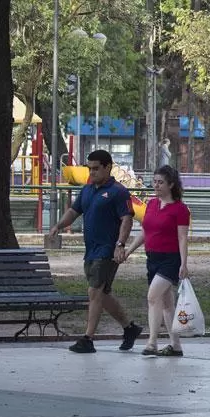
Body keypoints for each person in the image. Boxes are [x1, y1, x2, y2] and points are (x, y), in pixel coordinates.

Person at [45, 149, 142, 354]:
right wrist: (58, 226)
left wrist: (120, 244)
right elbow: (74, 211)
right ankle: (130, 328)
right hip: (91, 250)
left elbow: (127, 218)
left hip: (108, 251)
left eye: (96, 168)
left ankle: (88, 339)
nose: (92, 172)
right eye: (89, 169)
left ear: (108, 167)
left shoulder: (118, 191)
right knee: (102, 294)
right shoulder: (88, 189)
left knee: (94, 291)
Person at [119, 165, 190, 357]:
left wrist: (184, 263)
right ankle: (176, 345)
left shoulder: (180, 209)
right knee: (167, 304)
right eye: (155, 182)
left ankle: (152, 342)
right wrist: (129, 250)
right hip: (152, 258)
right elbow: (145, 231)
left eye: (161, 182)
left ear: (171, 185)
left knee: (152, 296)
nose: (156, 185)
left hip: (170, 259)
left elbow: (182, 237)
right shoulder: (151, 204)